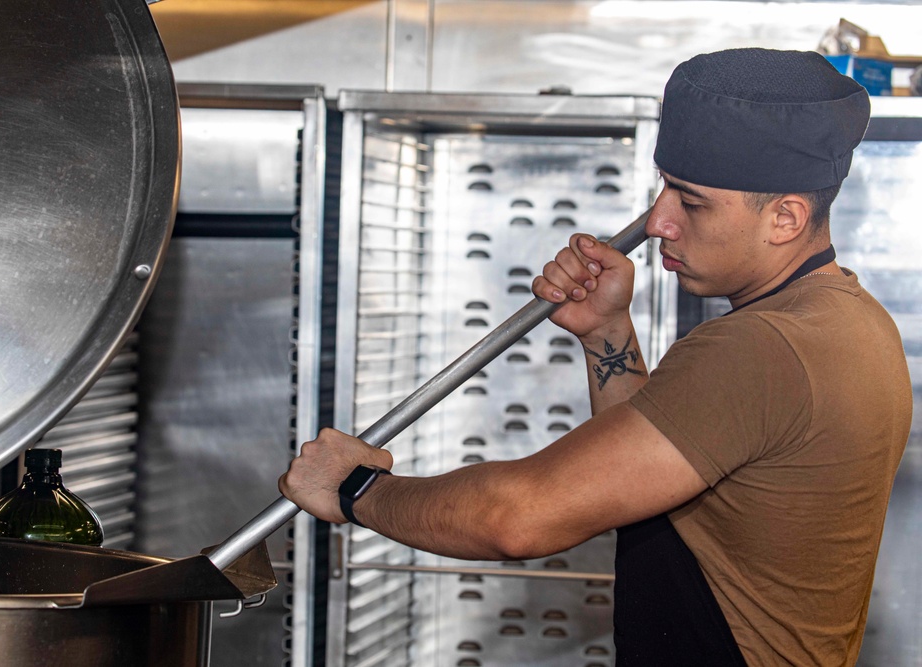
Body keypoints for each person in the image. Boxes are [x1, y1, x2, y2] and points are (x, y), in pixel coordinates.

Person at [279, 48, 913, 666]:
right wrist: (606, 332)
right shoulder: (848, 321)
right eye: (665, 189)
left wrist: (355, 489)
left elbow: (518, 518)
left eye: (691, 202)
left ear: (785, 217)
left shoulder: (763, 348)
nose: (659, 220)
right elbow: (657, 482)